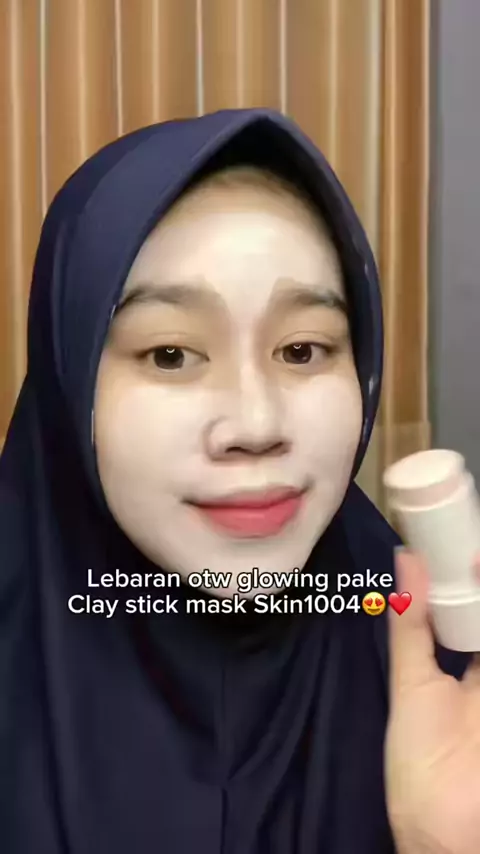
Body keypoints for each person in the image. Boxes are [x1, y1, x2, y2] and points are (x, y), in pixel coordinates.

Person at [0, 108, 477, 854]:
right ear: (71, 379)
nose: (257, 424)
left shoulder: (445, 682)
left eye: (303, 350)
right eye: (169, 355)